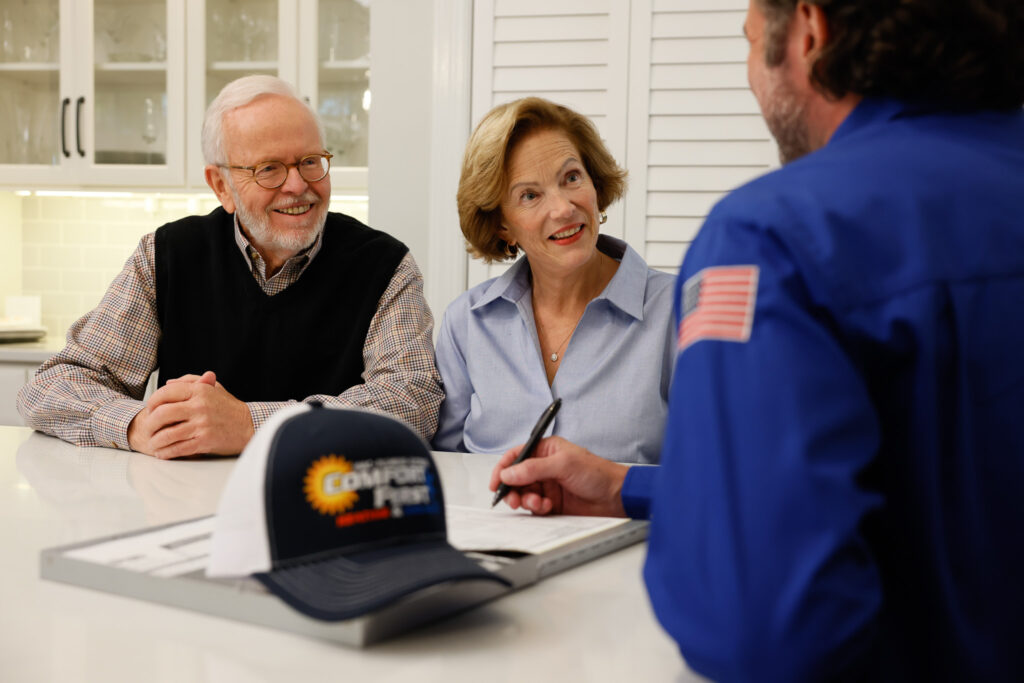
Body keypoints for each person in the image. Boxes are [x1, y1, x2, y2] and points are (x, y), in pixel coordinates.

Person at [490, 0, 1024, 679]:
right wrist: (625, 486)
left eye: (747, 42)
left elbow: (760, 626)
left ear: (810, 29)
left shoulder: (771, 239)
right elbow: (937, 486)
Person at [17, 75, 443, 459]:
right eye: (269, 169)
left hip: (328, 499)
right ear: (221, 185)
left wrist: (251, 425)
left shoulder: (385, 266)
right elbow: (54, 385)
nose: (298, 185)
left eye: (310, 161)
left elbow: (413, 400)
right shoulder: (166, 256)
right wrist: (135, 425)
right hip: (182, 504)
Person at [432, 97, 675, 464]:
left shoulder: (679, 310)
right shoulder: (466, 323)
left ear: (595, 184)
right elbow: (443, 467)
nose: (563, 208)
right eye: (530, 195)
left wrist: (616, 485)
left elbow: (717, 473)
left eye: (571, 178)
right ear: (502, 225)